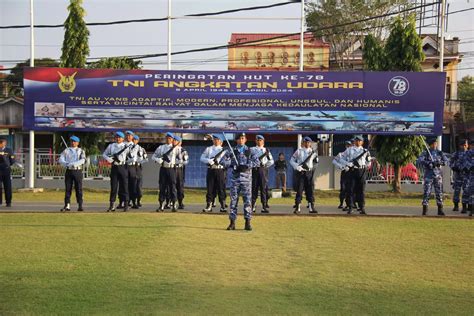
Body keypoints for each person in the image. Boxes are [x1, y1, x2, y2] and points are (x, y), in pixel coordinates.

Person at [222, 133, 259, 231]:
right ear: (237, 140)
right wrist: (233, 165)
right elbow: (223, 161)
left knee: (247, 201)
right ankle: (232, 223)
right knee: (233, 201)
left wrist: (247, 165)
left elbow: (257, 162)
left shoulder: (250, 151)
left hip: (247, 180)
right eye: (239, 138)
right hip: (235, 180)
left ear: (245, 139)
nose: (241, 140)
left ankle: (247, 222)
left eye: (243, 138)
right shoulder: (232, 150)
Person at [338, 135, 371, 215]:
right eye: (356, 140)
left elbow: (369, 161)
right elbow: (340, 158)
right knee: (350, 190)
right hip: (352, 171)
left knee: (361, 190)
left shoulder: (365, 151)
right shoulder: (349, 150)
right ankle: (350, 207)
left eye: (359, 141)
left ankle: (361, 207)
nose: (358, 142)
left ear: (362, 142)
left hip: (361, 171)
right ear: (354, 141)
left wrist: (365, 167)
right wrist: (347, 163)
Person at [416, 137, 449, 216]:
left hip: (437, 176)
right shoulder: (426, 152)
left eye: (436, 143)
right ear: (430, 145)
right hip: (428, 175)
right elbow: (419, 160)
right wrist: (429, 163)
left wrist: (439, 163)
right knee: (427, 192)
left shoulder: (439, 153)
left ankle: (440, 209)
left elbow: (446, 161)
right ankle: (425, 209)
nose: (435, 145)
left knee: (439, 193)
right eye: (433, 144)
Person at [102, 131, 131, 212]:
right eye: (117, 137)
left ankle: (126, 204)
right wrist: (109, 159)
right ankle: (112, 205)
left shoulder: (126, 146)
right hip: (114, 167)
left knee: (125, 186)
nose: (118, 139)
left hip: (122, 166)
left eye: (120, 137)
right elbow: (104, 154)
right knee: (113, 187)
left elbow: (130, 157)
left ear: (122, 138)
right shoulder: (111, 146)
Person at [290, 136, 319, 214]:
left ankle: (311, 207)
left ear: (310, 143)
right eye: (305, 142)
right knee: (299, 190)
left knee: (310, 190)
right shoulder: (299, 151)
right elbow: (291, 160)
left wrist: (312, 169)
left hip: (309, 173)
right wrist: (297, 166)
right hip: (301, 173)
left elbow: (316, 162)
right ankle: (297, 207)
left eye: (309, 142)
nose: (307, 143)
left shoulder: (313, 152)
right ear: (303, 142)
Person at [200, 134, 227, 213]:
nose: (216, 141)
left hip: (220, 170)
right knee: (210, 188)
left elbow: (227, 162)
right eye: (215, 139)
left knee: (221, 188)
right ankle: (209, 205)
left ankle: (222, 205)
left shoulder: (224, 151)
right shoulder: (209, 149)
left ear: (221, 142)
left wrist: (221, 161)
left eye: (218, 140)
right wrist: (208, 161)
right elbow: (202, 158)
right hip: (211, 170)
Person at [58, 136, 86, 212]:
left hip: (77, 171)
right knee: (68, 189)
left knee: (79, 189)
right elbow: (61, 159)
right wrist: (66, 164)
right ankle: (67, 205)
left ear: (78, 143)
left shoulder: (81, 151)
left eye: (74, 141)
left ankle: (80, 205)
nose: (73, 143)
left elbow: (83, 160)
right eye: (72, 141)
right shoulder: (66, 150)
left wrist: (75, 164)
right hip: (69, 171)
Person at [152, 132, 178, 212]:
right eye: (167, 138)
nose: (168, 139)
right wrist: (159, 160)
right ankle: (161, 205)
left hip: (172, 169)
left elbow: (181, 159)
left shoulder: (177, 148)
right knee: (162, 187)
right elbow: (153, 156)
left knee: (172, 187)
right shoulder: (161, 148)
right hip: (163, 168)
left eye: (170, 138)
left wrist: (176, 163)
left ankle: (173, 204)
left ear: (173, 139)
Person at [251, 135, 274, 213]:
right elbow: (248, 159)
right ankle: (252, 206)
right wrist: (253, 164)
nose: (259, 142)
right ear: (255, 141)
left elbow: (271, 161)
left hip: (262, 170)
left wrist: (264, 166)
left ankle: (264, 206)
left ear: (263, 141)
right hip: (254, 170)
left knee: (263, 189)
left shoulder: (266, 150)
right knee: (254, 188)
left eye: (260, 140)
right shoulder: (252, 149)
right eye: (257, 140)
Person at [449, 139, 469, 213]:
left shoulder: (469, 154)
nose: (464, 147)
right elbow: (450, 162)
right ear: (460, 145)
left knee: (466, 191)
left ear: (467, 145)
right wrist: (454, 167)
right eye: (462, 145)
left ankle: (465, 206)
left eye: (465, 145)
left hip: (466, 175)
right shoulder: (456, 154)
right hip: (458, 175)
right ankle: (456, 205)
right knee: (457, 191)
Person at [332, 140, 353, 210]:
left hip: (351, 172)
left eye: (349, 145)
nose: (348, 147)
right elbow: (334, 161)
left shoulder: (353, 155)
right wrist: (341, 166)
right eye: (347, 145)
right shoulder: (341, 154)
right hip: (344, 172)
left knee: (350, 189)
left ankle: (349, 204)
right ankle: (341, 203)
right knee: (343, 189)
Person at [123, 131, 140, 209]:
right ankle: (125, 202)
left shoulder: (135, 146)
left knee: (133, 185)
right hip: (124, 167)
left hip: (132, 167)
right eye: (127, 135)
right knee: (124, 185)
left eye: (130, 136)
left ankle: (133, 202)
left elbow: (133, 157)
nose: (128, 137)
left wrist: (124, 160)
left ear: (132, 137)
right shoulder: (123, 145)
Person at [0, 138, 17, 207]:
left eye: (2, 142)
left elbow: (12, 160)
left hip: (6, 170)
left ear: (5, 143)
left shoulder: (9, 150)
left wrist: (7, 165)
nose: (2, 144)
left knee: (7, 186)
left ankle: (8, 202)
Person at [174, 135, 189, 209]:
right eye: (174, 140)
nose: (174, 142)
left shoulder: (183, 151)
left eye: (176, 141)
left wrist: (179, 161)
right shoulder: (170, 149)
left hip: (179, 169)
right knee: (170, 185)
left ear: (180, 142)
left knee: (180, 186)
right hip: (171, 169)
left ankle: (180, 202)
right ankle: (170, 202)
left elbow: (186, 161)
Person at [133, 135, 148, 208]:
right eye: (133, 139)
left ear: (137, 141)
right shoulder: (128, 148)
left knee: (138, 185)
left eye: (135, 140)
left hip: (138, 167)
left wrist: (139, 160)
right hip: (130, 167)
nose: (134, 141)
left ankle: (138, 200)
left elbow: (146, 159)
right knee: (132, 185)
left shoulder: (141, 149)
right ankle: (132, 201)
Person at [466, 140, 474, 216]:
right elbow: (466, 163)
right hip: (472, 175)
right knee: (471, 193)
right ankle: (471, 210)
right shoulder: (468, 153)